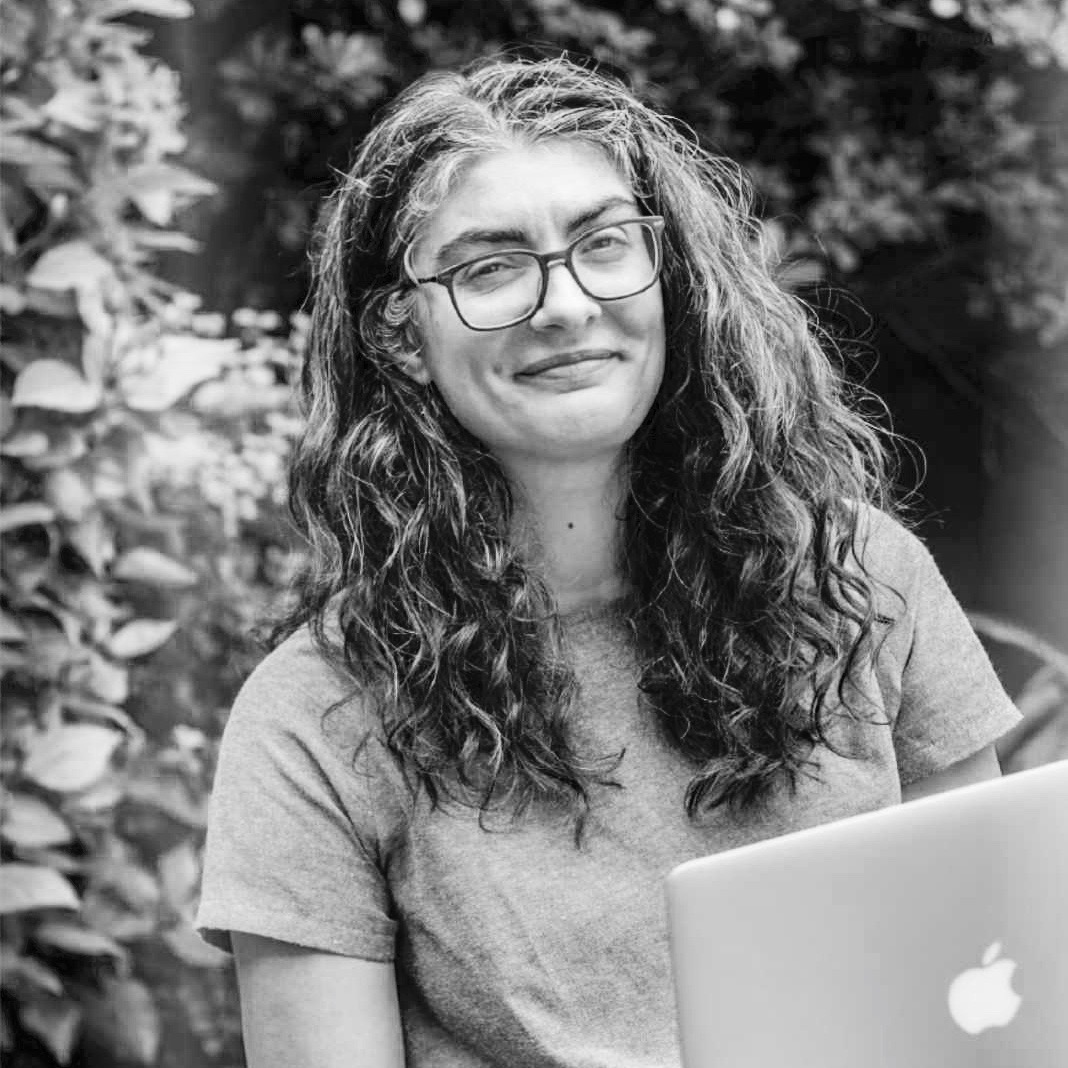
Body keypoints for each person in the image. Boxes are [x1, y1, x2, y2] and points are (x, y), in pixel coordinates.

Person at [194, 54, 1022, 1068]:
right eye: (490, 268)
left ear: (668, 276)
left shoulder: (864, 580)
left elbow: (1002, 997)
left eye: (604, 244)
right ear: (401, 335)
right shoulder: (314, 719)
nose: (565, 303)